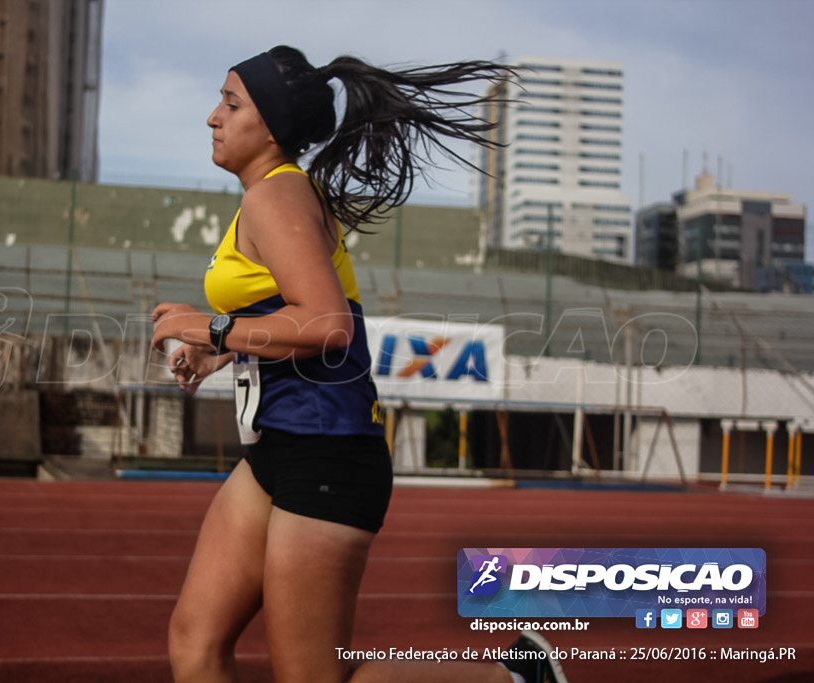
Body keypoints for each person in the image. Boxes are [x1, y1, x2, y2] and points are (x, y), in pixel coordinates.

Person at [151, 46, 567, 683]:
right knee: (195, 639)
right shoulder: (271, 197)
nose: (213, 116)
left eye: (231, 103)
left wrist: (208, 325)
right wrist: (217, 350)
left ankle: (516, 677)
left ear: (271, 125)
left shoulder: (277, 198)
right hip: (279, 449)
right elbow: (290, 316)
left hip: (327, 455)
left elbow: (327, 324)